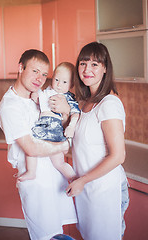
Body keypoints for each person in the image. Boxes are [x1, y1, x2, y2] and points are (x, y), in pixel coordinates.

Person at [0, 49, 77, 240]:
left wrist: (66, 114)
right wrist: (63, 147)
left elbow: (57, 125)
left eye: (44, 74)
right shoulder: (10, 106)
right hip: (37, 183)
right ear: (20, 68)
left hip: (55, 178)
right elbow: (31, 148)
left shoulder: (36, 98)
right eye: (34, 71)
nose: (39, 78)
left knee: (58, 233)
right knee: (45, 235)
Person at [63, 42, 129, 240]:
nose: (87, 70)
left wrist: (83, 180)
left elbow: (118, 156)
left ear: (105, 68)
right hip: (87, 188)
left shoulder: (109, 104)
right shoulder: (83, 104)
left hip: (105, 189)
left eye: (94, 64)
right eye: (83, 63)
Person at [18, 62, 80, 182]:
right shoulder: (47, 91)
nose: (59, 84)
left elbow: (75, 113)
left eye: (64, 82)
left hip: (54, 131)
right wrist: (36, 96)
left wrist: (71, 127)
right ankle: (31, 172)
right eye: (56, 79)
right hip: (42, 128)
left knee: (57, 162)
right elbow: (39, 101)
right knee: (32, 151)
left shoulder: (69, 97)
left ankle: (74, 179)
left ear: (71, 84)